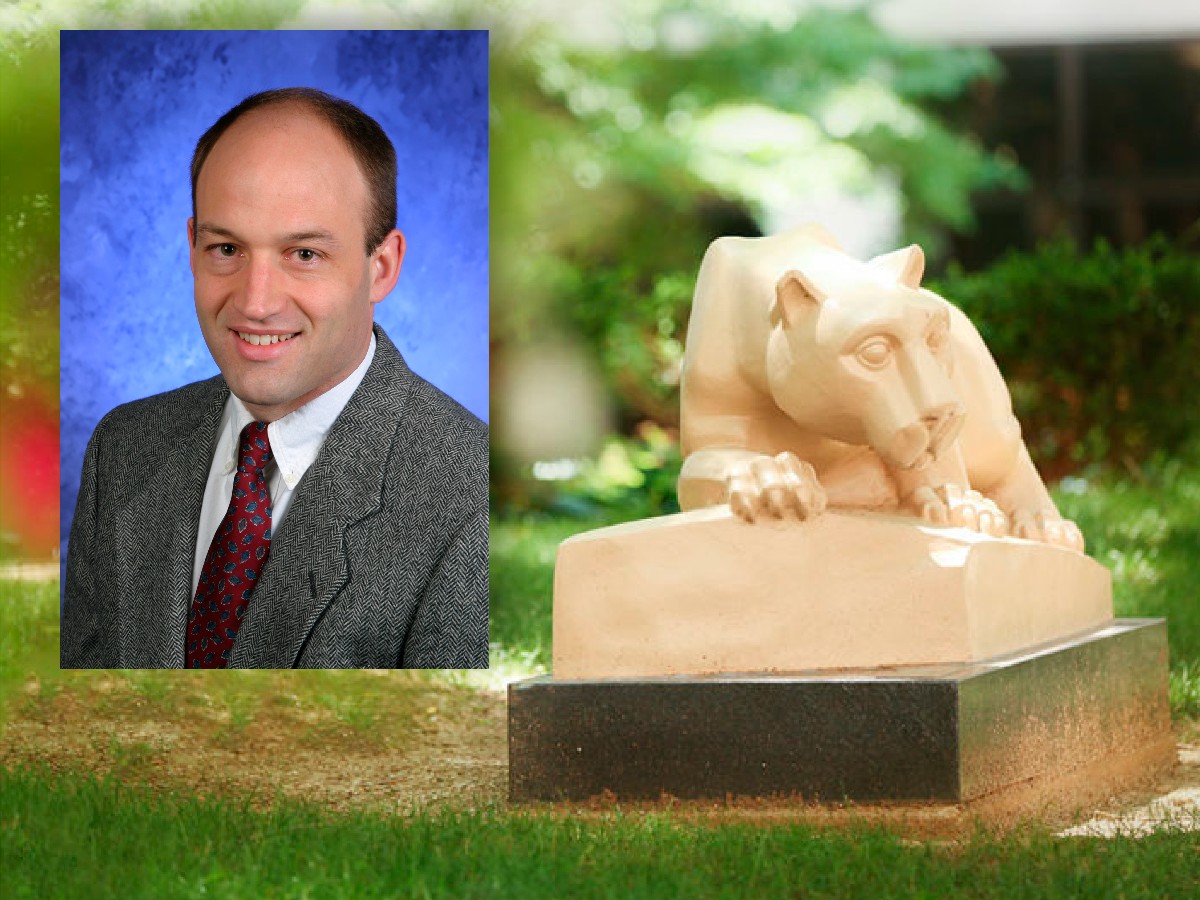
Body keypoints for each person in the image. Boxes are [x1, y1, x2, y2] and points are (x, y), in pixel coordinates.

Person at [60, 88, 489, 669]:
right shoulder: (125, 445)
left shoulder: (470, 492)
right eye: (227, 247)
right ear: (191, 246)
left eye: (304, 254)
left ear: (380, 267)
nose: (256, 303)